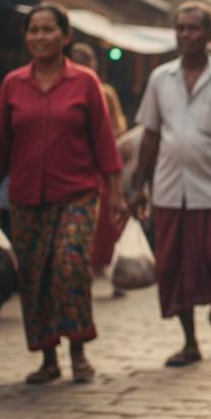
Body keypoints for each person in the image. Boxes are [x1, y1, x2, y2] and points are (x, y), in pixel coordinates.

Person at [0, 3, 126, 385]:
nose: (40, 37)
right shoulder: (13, 84)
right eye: (34, 30)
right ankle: (48, 357)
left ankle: (78, 351)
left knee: (70, 263)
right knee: (34, 275)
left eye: (48, 30)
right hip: (25, 196)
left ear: (65, 36)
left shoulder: (85, 82)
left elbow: (104, 141)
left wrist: (115, 193)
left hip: (77, 193)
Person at [129, 1, 211, 365]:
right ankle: (189, 342)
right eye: (180, 28)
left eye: (193, 28)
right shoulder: (160, 78)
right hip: (168, 189)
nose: (185, 34)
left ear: (210, 35)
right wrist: (138, 184)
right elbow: (150, 135)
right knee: (172, 266)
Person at [70, 42, 129, 292]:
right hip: (78, 167)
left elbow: (117, 126)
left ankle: (115, 272)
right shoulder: (66, 90)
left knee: (108, 223)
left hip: (104, 166)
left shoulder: (104, 91)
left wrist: (103, 146)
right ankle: (88, 270)